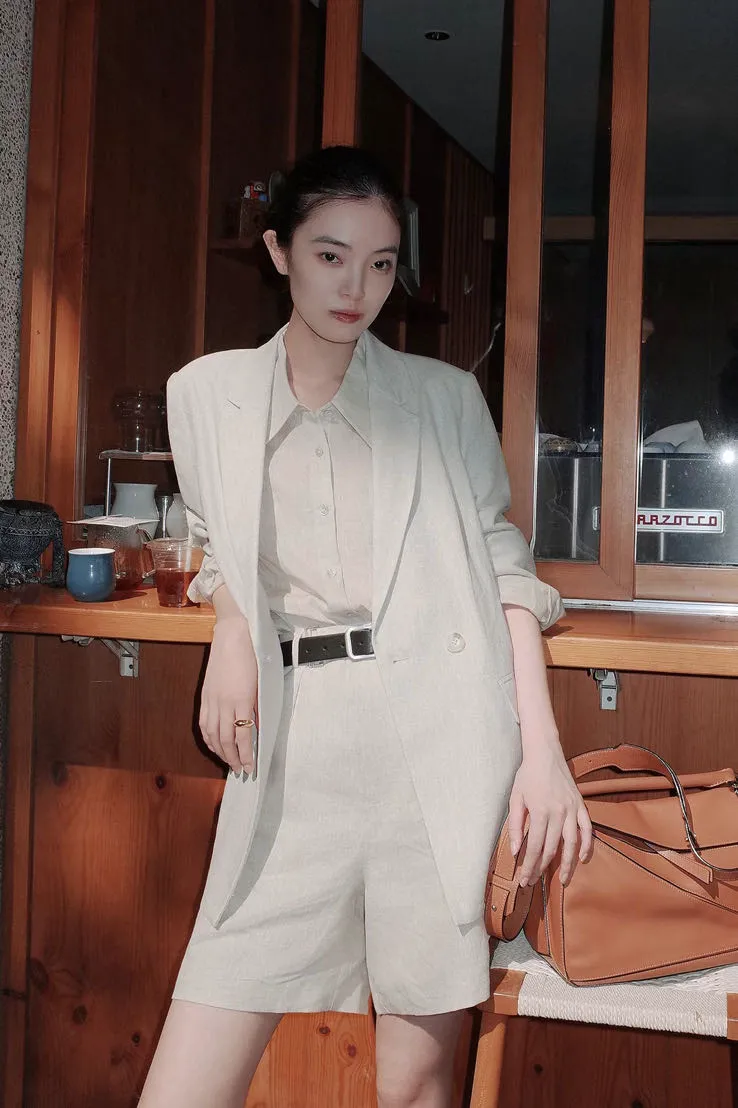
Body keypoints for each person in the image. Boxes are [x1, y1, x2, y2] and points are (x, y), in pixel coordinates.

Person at [140, 146, 592, 1108]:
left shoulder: (442, 398)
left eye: (381, 263)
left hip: (432, 751)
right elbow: (217, 542)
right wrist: (231, 628)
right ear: (279, 252)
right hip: (290, 752)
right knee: (185, 1082)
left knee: (416, 1083)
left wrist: (542, 755)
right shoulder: (205, 393)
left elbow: (505, 574)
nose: (356, 289)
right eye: (330, 256)